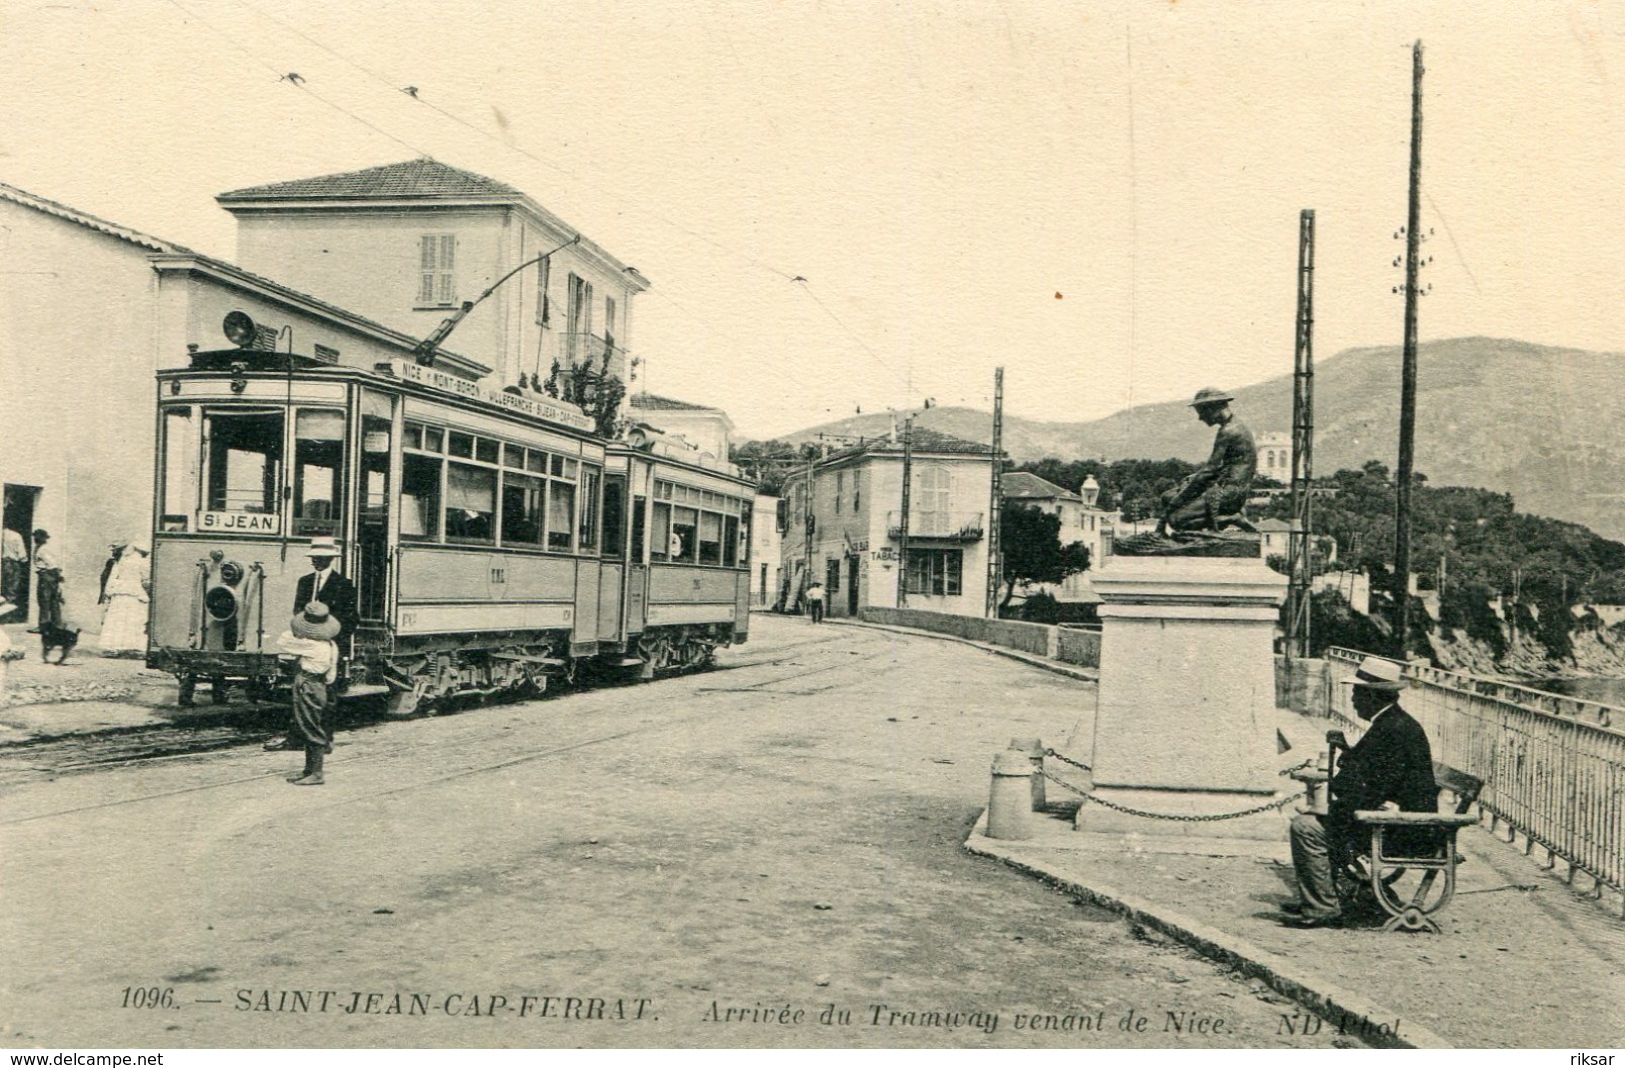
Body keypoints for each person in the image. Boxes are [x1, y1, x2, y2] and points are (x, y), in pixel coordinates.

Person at [1284, 655, 1437, 928]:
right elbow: (1366, 777)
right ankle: (1325, 897)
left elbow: (1372, 788)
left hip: (1405, 831)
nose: (1353, 701)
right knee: (1319, 822)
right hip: (1398, 822)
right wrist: (1347, 755)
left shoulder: (1392, 730)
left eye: (1356, 693)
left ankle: (1322, 907)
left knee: (1305, 828)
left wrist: (1331, 809)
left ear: (1372, 696)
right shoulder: (1392, 723)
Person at [265, 537, 357, 751]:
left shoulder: (343, 584)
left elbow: (351, 618)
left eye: (320, 558)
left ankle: (324, 740)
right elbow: (297, 611)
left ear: (330, 559)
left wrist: (332, 638)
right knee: (301, 693)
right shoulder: (305, 582)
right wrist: (303, 635)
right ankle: (299, 737)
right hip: (306, 646)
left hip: (329, 646)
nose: (315, 561)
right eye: (314, 557)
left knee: (328, 695)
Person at [1158, 388, 1258, 534]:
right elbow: (1225, 466)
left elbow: (1209, 470)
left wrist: (1180, 498)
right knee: (1166, 497)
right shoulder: (1234, 426)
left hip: (1229, 493)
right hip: (1225, 485)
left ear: (1212, 408)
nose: (1200, 418)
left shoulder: (1229, 431)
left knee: (1176, 520)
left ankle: (1233, 518)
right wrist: (1192, 481)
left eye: (1201, 412)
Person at [274, 602, 340, 786]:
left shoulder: (311, 645)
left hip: (308, 684)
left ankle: (316, 773)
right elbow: (330, 677)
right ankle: (309, 771)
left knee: (309, 727)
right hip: (318, 684)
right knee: (309, 725)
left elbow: (283, 641)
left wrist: (298, 631)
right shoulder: (331, 645)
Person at [99, 540, 150, 657]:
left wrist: (108, 593)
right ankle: (133, 647)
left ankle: (112, 647)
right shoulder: (142, 562)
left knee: (116, 620)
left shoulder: (121, 562)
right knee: (134, 620)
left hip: (119, 593)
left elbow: (112, 578)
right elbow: (146, 578)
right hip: (134, 593)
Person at [31, 529, 63, 631]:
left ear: (43, 539)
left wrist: (52, 576)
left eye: (38, 537)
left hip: (46, 575)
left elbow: (52, 564)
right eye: (35, 537)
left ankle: (44, 625)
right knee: (52, 601)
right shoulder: (39, 548)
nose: (36, 539)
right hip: (48, 575)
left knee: (44, 600)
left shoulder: (43, 549)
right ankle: (57, 625)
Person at [2, 528, 27, 616]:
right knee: (12, 586)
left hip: (3, 561)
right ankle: (8, 609)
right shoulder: (16, 535)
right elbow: (22, 555)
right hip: (12, 562)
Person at [98, 541, 127, 606]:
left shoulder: (126, 563)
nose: (113, 554)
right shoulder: (111, 563)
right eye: (113, 551)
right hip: (111, 592)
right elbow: (104, 577)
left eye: (115, 551)